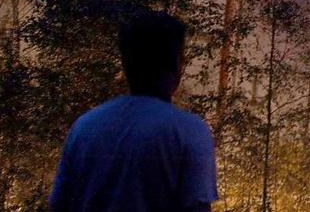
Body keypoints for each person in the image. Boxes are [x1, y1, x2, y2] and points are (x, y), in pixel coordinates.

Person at [50, 11, 218, 212]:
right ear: (177, 64)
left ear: (126, 62)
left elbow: (60, 204)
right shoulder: (189, 132)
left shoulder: (85, 127)